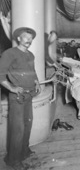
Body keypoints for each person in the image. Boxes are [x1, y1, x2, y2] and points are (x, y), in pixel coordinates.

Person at [0, 27, 41, 170]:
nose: (29, 40)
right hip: (17, 96)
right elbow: (1, 74)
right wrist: (11, 88)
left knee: (27, 124)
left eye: (31, 38)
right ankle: (12, 159)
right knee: (17, 129)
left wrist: (37, 83)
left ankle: (24, 151)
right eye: (26, 37)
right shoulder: (9, 54)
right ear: (18, 38)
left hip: (29, 95)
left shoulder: (30, 55)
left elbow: (33, 71)